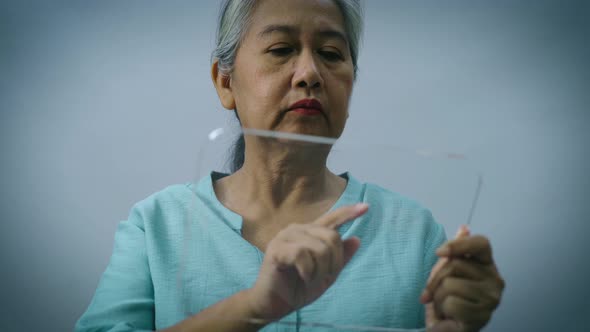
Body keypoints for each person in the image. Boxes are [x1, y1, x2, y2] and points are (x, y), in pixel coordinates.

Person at [75, 0, 505, 331]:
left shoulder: (415, 232)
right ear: (225, 82)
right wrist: (254, 308)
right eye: (281, 49)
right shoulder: (155, 225)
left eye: (332, 53)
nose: (309, 73)